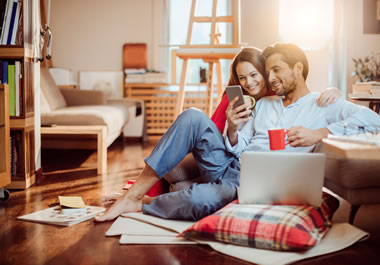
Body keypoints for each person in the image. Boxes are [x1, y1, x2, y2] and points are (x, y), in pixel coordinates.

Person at [95, 43, 378, 222]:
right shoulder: (265, 103)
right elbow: (240, 144)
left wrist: (320, 133)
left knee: (199, 199)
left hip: (253, 184)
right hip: (232, 164)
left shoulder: (323, 104)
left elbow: (374, 121)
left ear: (298, 68)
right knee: (193, 115)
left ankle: (142, 205)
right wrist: (231, 128)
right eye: (268, 72)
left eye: (276, 70)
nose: (270, 78)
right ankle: (135, 195)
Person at [211, 47, 341, 134]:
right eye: (242, 78)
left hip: (227, 149)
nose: (249, 82)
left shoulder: (274, 96)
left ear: (264, 72)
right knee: (194, 118)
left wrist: (333, 91)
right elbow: (213, 130)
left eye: (254, 75)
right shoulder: (235, 97)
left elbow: (303, 99)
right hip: (216, 141)